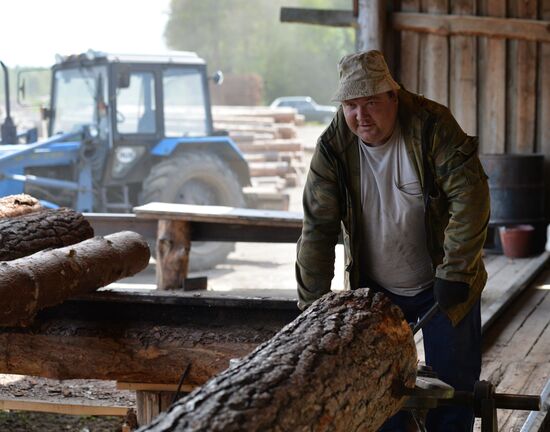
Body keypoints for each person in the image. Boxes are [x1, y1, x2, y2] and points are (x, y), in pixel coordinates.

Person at [295, 50, 490, 431]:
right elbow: (317, 228)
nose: (361, 116)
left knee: (453, 393)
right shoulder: (333, 148)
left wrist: (456, 271)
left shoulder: (432, 126)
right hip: (376, 288)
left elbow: (471, 198)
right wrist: (311, 308)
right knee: (382, 396)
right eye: (351, 105)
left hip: (444, 283)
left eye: (370, 103)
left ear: (393, 97)